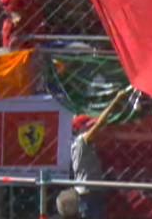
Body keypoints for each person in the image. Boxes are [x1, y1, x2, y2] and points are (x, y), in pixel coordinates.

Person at [60, 85, 133, 219]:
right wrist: (115, 101)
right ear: (79, 129)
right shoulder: (81, 141)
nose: (92, 129)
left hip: (92, 192)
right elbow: (99, 124)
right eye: (88, 127)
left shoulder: (86, 144)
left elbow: (100, 124)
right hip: (87, 194)